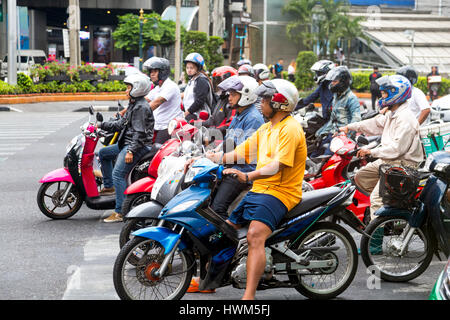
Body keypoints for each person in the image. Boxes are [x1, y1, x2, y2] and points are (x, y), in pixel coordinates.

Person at [215, 79, 307, 300]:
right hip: (260, 189)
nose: (260, 103)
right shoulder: (267, 128)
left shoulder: (290, 129)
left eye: (265, 99)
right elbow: (241, 152)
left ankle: (249, 295)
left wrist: (247, 175)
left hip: (280, 192)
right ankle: (211, 280)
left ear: (279, 103)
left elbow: (277, 166)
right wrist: (211, 158)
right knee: (224, 231)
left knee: (255, 235)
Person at [187, 75, 265, 294]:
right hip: (230, 168)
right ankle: (205, 270)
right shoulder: (238, 115)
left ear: (246, 95)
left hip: (243, 171)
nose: (229, 97)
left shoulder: (253, 118)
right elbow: (231, 145)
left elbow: (244, 154)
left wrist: (218, 158)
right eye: (229, 93)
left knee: (216, 213)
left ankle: (222, 259)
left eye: (233, 94)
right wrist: (212, 154)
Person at [339, 74, 424, 221]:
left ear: (395, 94)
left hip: (402, 165)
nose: (382, 97)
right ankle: (389, 212)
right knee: (360, 177)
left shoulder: (406, 119)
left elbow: (397, 149)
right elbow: (375, 124)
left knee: (376, 199)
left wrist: (371, 151)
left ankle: (373, 239)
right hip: (388, 161)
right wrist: (349, 127)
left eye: (384, 93)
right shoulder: (393, 114)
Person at [98, 74, 154, 223]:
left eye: (128, 88)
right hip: (127, 142)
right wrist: (99, 125)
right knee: (103, 153)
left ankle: (120, 212)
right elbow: (120, 124)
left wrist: (131, 151)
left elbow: (140, 133)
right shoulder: (134, 104)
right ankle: (109, 186)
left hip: (136, 145)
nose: (126, 91)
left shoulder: (141, 107)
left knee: (118, 174)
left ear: (137, 88)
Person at [313, 66, 361, 156]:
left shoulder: (351, 98)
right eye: (332, 81)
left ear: (343, 82)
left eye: (335, 81)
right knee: (314, 155)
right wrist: (321, 133)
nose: (332, 84)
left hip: (342, 137)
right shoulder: (336, 96)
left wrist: (345, 135)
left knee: (325, 158)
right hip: (333, 133)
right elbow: (332, 119)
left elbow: (356, 119)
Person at [143, 57, 182, 144]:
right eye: (151, 72)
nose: (152, 74)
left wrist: (138, 112)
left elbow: (156, 103)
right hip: (157, 125)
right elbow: (144, 100)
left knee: (156, 151)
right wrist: (124, 112)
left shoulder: (170, 86)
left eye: (155, 71)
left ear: (163, 72)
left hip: (167, 127)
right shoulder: (158, 88)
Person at [183, 52, 214, 122]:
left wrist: (188, 111)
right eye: (187, 67)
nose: (189, 70)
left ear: (198, 68)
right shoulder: (193, 80)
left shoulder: (201, 81)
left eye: (192, 68)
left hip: (199, 117)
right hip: (191, 114)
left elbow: (199, 101)